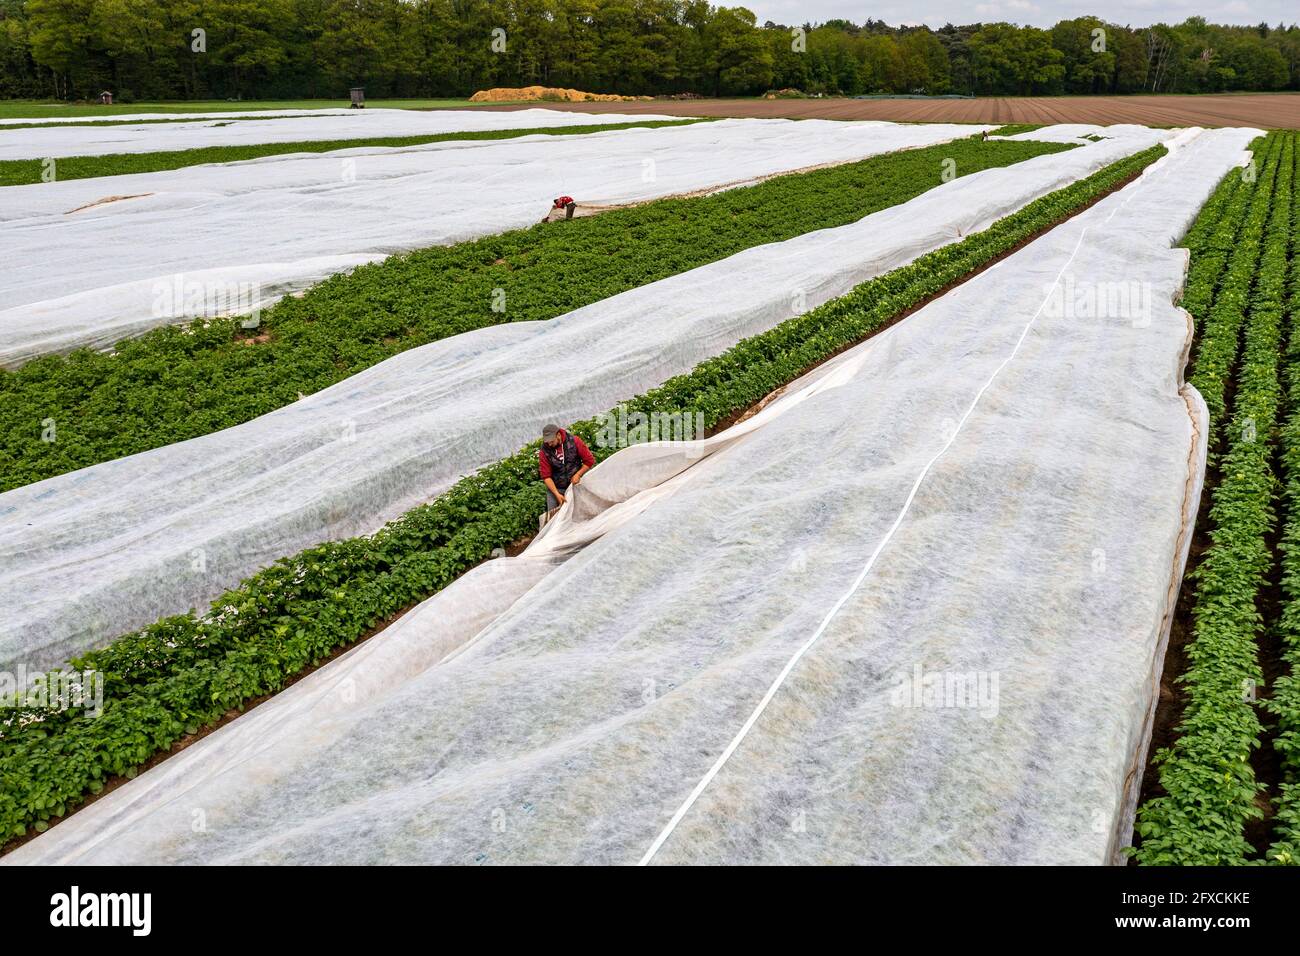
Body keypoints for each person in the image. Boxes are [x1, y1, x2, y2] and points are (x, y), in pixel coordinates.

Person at [538, 422, 594, 511]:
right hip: (556, 488)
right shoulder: (544, 452)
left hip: (575, 484)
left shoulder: (574, 441)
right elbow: (546, 476)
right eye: (547, 442)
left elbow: (589, 461)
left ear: (558, 435)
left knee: (583, 510)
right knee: (553, 516)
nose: (549, 444)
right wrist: (556, 494)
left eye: (551, 441)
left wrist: (578, 474)